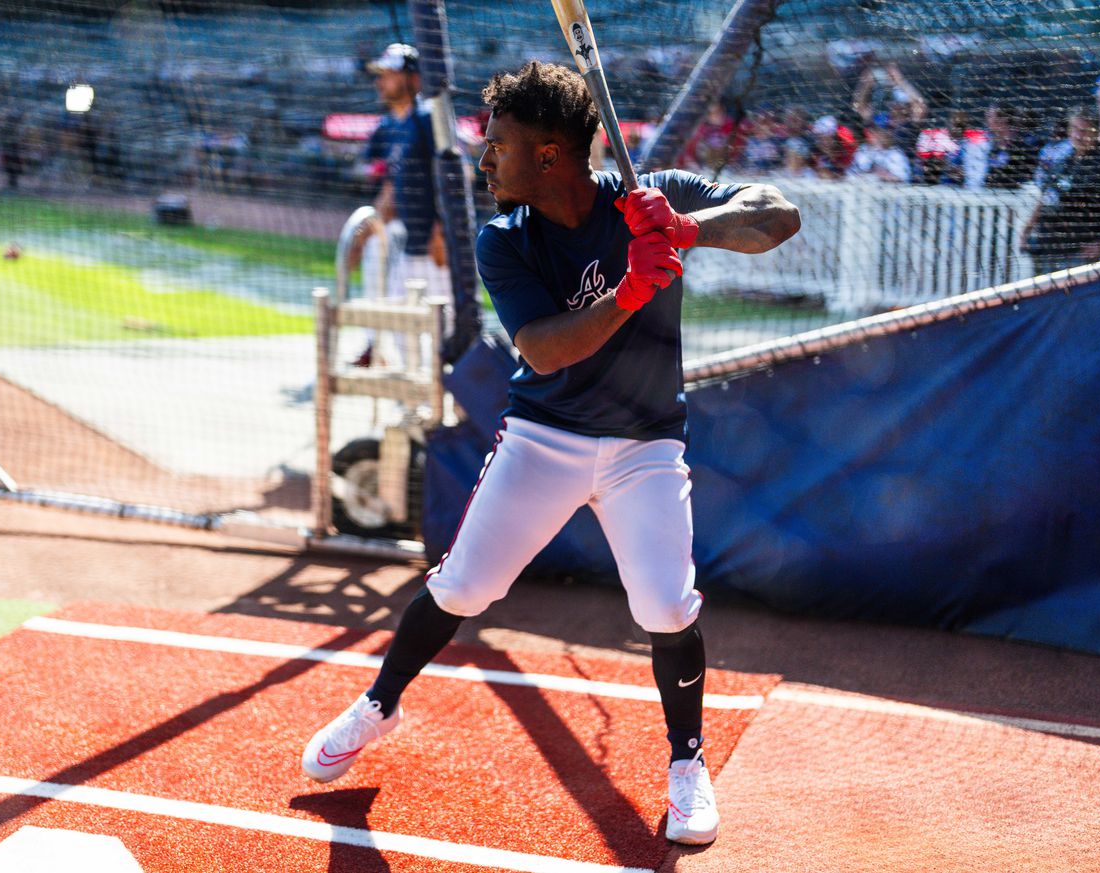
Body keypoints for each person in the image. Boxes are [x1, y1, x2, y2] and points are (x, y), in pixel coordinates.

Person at [301, 60, 800, 847]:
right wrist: (631, 289)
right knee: (462, 585)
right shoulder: (506, 239)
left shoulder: (652, 192)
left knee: (666, 606)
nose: (484, 158)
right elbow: (541, 349)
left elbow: (779, 213)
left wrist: (685, 228)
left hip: (645, 444)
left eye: (499, 143)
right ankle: (379, 704)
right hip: (545, 435)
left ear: (549, 155)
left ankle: (687, 763)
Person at [352, 43, 450, 368]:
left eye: (389, 74)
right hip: (411, 243)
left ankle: (454, 397)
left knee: (447, 326)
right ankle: (419, 394)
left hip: (438, 246)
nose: (381, 82)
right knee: (398, 318)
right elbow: (391, 186)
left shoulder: (427, 118)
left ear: (414, 78)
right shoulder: (395, 124)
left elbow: (455, 172)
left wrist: (443, 229)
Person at [1020, 105, 1100, 275]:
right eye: (1075, 129)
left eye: (1085, 130)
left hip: (1079, 252)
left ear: (1096, 132)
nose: (1079, 135)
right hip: (1045, 247)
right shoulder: (1063, 162)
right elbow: (1046, 197)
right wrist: (1027, 229)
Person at [848, 115, 911, 183]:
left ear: (889, 133)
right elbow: (850, 174)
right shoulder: (863, 149)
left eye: (882, 131)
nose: (877, 135)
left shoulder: (896, 153)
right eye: (874, 131)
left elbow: (903, 179)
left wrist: (882, 176)